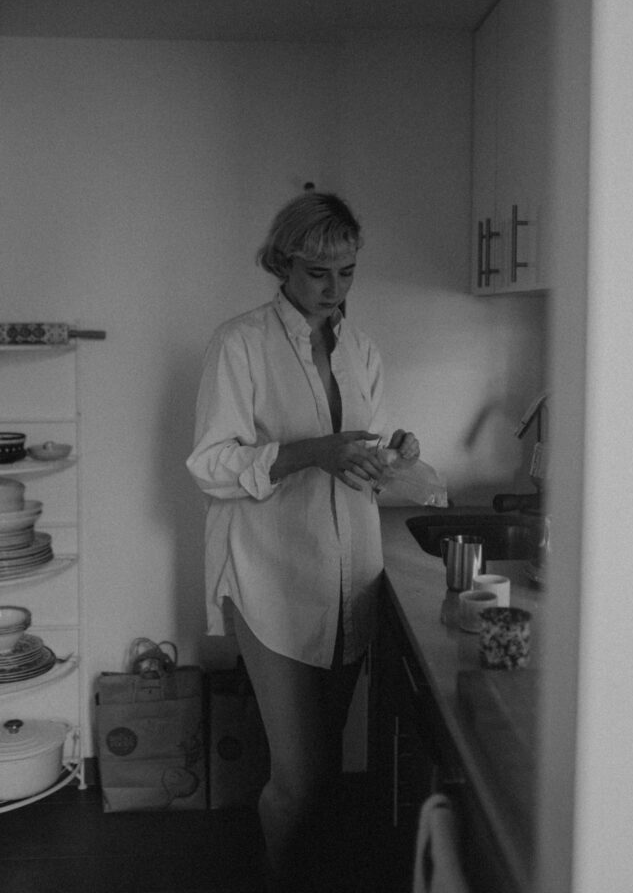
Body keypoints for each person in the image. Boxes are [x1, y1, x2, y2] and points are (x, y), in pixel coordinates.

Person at [187, 191, 419, 891]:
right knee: (301, 776)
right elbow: (210, 465)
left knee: (322, 770)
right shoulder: (240, 343)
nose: (333, 288)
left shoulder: (362, 350)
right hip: (269, 574)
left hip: (348, 577)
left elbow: (361, 453)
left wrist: (392, 455)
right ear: (283, 263)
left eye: (346, 272)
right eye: (318, 272)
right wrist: (312, 451)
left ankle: (307, 871)